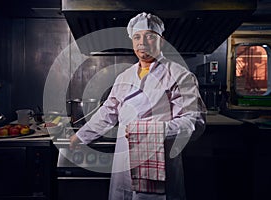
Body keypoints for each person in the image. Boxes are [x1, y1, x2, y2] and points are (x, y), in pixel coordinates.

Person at [70, 12, 207, 200]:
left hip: (159, 163)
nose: (142, 41)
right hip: (124, 162)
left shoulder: (180, 75)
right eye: (137, 37)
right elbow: (108, 113)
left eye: (150, 36)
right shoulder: (124, 77)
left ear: (162, 41)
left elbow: (193, 122)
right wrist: (80, 137)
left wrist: (148, 131)